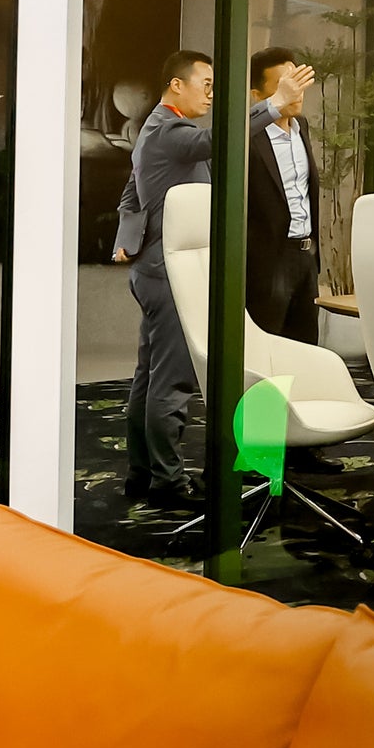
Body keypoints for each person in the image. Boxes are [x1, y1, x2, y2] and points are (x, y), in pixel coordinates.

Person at [110, 49, 219, 503]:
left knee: (150, 376)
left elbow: (131, 192)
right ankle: (168, 481)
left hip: (154, 269)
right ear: (177, 84)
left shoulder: (152, 129)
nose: (212, 94)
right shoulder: (172, 131)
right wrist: (269, 108)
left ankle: (143, 472)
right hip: (169, 273)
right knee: (171, 380)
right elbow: (219, 141)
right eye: (206, 83)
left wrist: (127, 238)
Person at [243, 45, 324, 347]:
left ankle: (296, 397)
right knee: (267, 349)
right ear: (257, 97)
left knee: (305, 348)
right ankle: (263, 399)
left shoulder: (301, 126)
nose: (296, 93)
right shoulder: (247, 137)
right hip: (268, 262)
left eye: (297, 84)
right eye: (284, 87)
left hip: (305, 257)